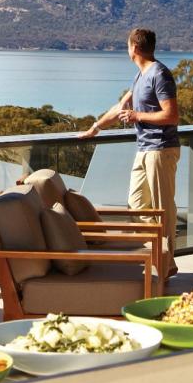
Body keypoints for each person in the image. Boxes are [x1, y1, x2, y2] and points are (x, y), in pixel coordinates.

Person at [78, 27, 180, 279]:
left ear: (134, 47)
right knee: (136, 205)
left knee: (163, 209)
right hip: (144, 149)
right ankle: (157, 254)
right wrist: (96, 127)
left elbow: (172, 115)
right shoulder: (140, 76)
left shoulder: (160, 74)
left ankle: (165, 266)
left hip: (161, 149)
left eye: (127, 45)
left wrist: (137, 115)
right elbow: (120, 107)